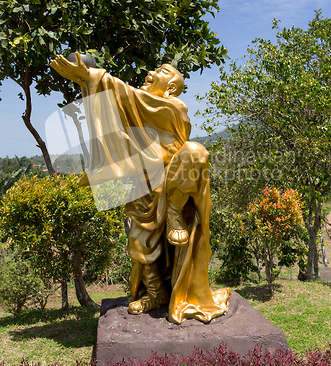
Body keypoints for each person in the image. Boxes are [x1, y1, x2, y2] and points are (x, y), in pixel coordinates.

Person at [50, 53, 230, 324]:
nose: (152, 71)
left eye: (161, 71)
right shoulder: (143, 111)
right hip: (146, 182)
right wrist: (89, 79)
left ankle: (174, 211)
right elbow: (124, 114)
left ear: (170, 87)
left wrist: (94, 76)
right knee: (138, 239)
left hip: (175, 183)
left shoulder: (173, 107)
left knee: (196, 151)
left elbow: (131, 97)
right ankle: (156, 292)